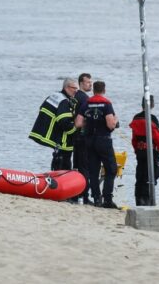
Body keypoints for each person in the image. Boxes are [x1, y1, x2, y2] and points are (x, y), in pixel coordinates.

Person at [81, 81, 119, 209]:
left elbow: (78, 123)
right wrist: (116, 120)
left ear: (93, 90)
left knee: (93, 170)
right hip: (103, 140)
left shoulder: (87, 102)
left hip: (89, 140)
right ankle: (107, 199)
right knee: (111, 169)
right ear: (104, 90)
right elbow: (110, 124)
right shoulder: (107, 103)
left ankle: (96, 198)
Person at [29, 78, 79, 171]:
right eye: (74, 88)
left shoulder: (54, 95)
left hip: (49, 134)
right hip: (63, 140)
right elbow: (64, 122)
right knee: (63, 163)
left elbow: (42, 109)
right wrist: (76, 129)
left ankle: (55, 177)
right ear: (67, 87)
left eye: (77, 89)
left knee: (57, 159)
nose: (76, 91)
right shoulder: (64, 101)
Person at [129, 95, 159, 206]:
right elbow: (158, 139)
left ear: (142, 104)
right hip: (151, 151)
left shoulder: (136, 118)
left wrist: (136, 150)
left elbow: (134, 138)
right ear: (152, 105)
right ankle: (146, 199)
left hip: (140, 151)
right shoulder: (152, 119)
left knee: (140, 175)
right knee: (151, 175)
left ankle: (139, 199)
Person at [73, 73, 92, 203]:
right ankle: (85, 196)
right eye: (87, 82)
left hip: (74, 136)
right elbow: (85, 118)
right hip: (82, 136)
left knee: (76, 166)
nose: (90, 84)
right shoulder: (84, 98)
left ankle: (74, 194)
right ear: (80, 83)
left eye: (91, 82)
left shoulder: (74, 96)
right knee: (85, 167)